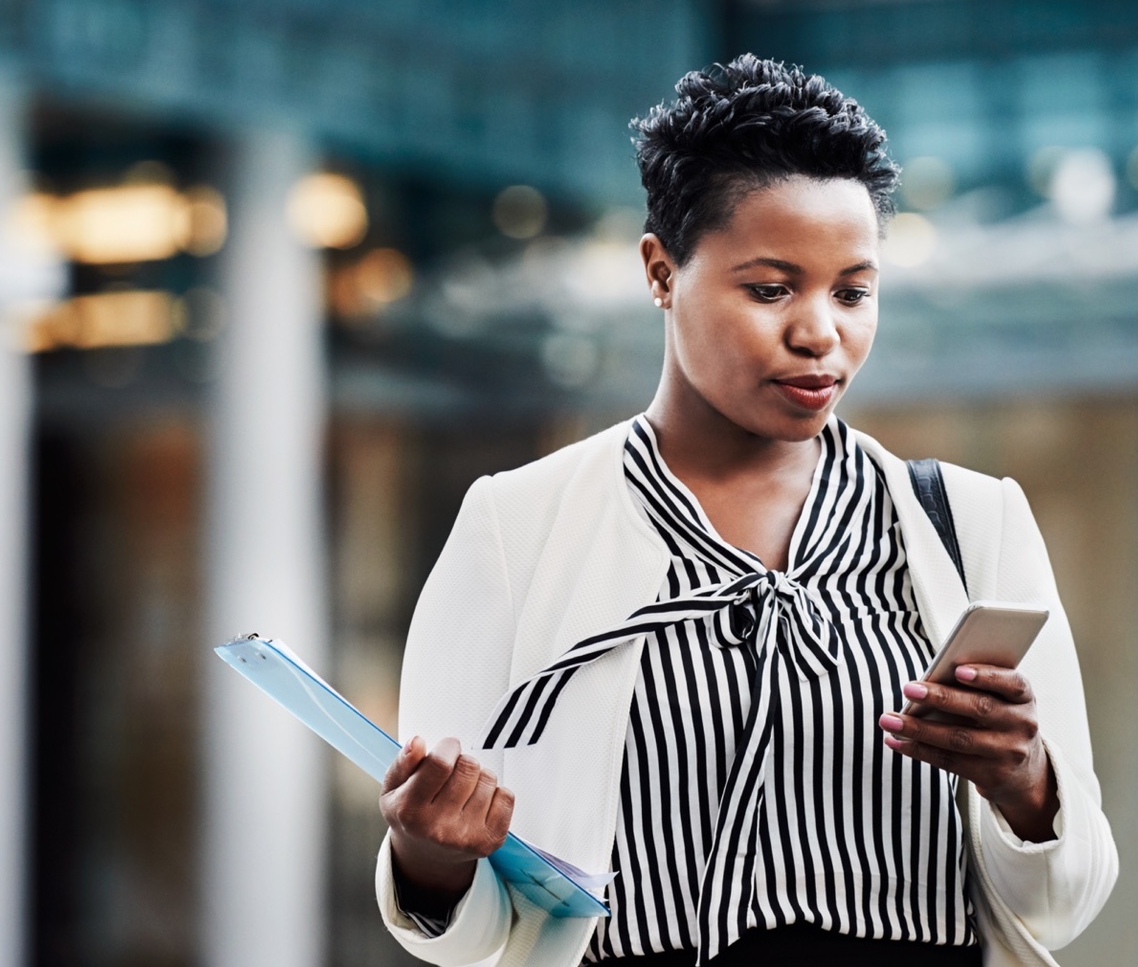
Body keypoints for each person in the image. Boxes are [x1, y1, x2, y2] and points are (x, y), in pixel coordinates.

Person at [374, 57, 1117, 967]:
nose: (820, 333)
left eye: (853, 290)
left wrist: (1025, 784)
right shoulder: (514, 529)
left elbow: (1066, 903)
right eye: (770, 289)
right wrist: (428, 857)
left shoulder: (972, 524)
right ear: (660, 270)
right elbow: (479, 927)